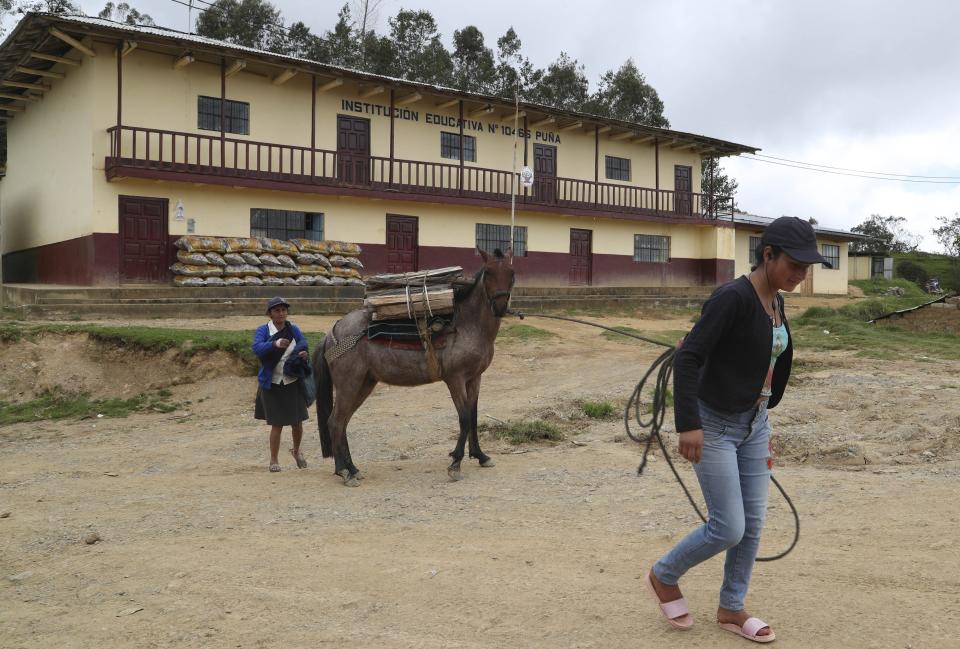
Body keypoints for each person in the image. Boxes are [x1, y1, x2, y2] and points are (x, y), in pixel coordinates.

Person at [645, 217, 831, 643]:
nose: (801, 274)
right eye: (795, 264)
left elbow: (765, 356)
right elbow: (688, 358)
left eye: (807, 267)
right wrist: (688, 424)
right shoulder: (732, 297)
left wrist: (761, 413)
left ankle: (732, 607)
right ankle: (664, 574)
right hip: (713, 425)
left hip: (754, 424)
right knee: (729, 526)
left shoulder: (776, 299)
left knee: (753, 523)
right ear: (768, 255)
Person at [253, 296, 310, 472]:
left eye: (284, 310)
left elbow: (304, 344)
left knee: (297, 422)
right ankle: (274, 460)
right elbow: (257, 348)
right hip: (273, 382)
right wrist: (275, 344)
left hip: (292, 381)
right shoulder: (263, 330)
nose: (281, 313)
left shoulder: (293, 329)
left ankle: (297, 450)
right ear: (270, 314)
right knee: (277, 424)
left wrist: (303, 354)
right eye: (277, 310)